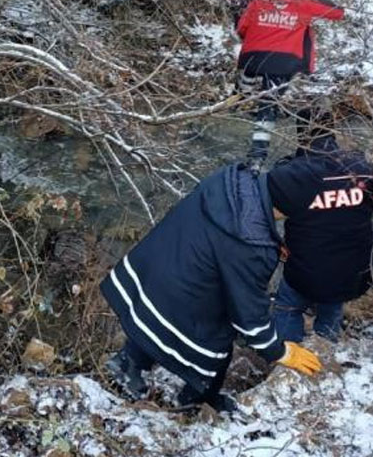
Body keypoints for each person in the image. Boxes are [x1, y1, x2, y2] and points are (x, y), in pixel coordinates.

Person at [100, 162, 323, 413]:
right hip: (177, 295)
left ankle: (127, 362)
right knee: (217, 348)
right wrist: (280, 351)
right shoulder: (253, 246)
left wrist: (272, 240)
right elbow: (248, 317)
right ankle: (194, 403)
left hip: (150, 268)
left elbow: (228, 235)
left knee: (159, 306)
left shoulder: (232, 178)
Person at [267, 109, 373, 342]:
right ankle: (325, 352)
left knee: (287, 307)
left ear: (301, 135)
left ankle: (287, 357)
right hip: (354, 273)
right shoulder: (363, 167)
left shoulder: (292, 174)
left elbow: (263, 210)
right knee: (332, 304)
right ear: (333, 131)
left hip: (306, 271)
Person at [235, 0, 345, 164]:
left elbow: (242, 27)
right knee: (268, 108)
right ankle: (256, 159)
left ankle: (242, 89)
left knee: (252, 79)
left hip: (252, 56)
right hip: (284, 61)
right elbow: (338, 13)